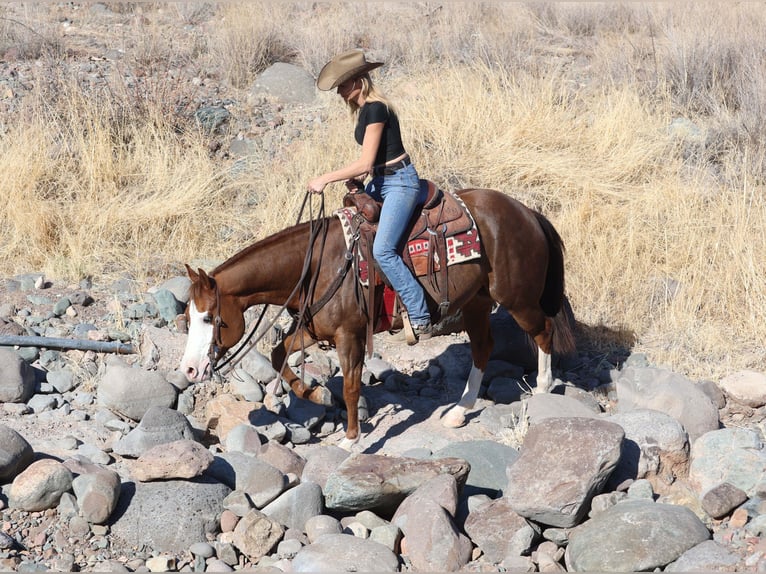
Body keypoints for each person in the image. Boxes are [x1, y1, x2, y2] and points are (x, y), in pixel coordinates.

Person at [308, 48, 431, 343]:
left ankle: (420, 315)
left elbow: (364, 162)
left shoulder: (376, 108)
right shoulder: (365, 111)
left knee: (383, 251)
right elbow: (372, 161)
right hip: (382, 178)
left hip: (400, 183)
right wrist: (361, 177)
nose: (339, 90)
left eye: (343, 83)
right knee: (348, 229)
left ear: (359, 81)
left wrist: (326, 178)